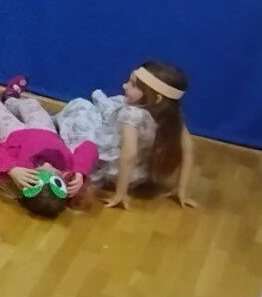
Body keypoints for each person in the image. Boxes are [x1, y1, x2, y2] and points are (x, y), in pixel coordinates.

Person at [51, 61, 194, 210]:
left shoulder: (132, 115)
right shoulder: (172, 117)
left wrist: (121, 193)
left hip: (113, 166)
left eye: (133, 85)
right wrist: (181, 188)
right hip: (137, 174)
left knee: (81, 106)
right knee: (109, 107)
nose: (125, 86)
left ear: (155, 99)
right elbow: (188, 150)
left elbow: (129, 154)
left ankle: (50, 123)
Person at [0, 83, 99, 218]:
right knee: (31, 104)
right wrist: (81, 172)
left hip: (12, 132)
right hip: (45, 128)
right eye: (54, 175)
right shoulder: (67, 170)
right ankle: (9, 98)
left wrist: (11, 169)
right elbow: (88, 146)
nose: (48, 165)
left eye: (41, 173)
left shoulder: (20, 167)